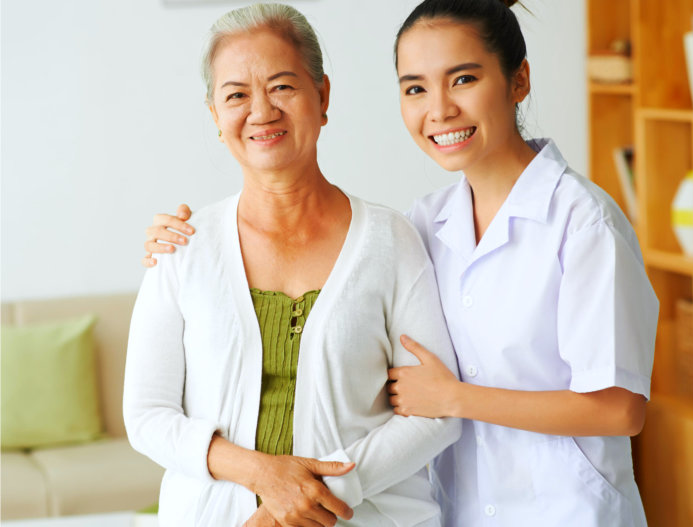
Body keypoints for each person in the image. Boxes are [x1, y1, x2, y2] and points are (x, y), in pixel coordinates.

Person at [143, 1, 658, 526]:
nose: (439, 109)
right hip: (465, 512)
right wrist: (177, 248)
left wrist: (454, 400)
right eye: (415, 88)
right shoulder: (428, 223)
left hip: (567, 511)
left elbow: (620, 409)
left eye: (462, 79)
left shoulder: (583, 222)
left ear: (518, 79)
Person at [124, 4, 460, 527]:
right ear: (215, 115)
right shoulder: (181, 248)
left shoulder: (391, 241)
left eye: (282, 86)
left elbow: (436, 412)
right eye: (236, 95)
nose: (262, 111)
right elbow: (147, 417)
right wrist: (262, 476)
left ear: (322, 96)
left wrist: (313, 495)